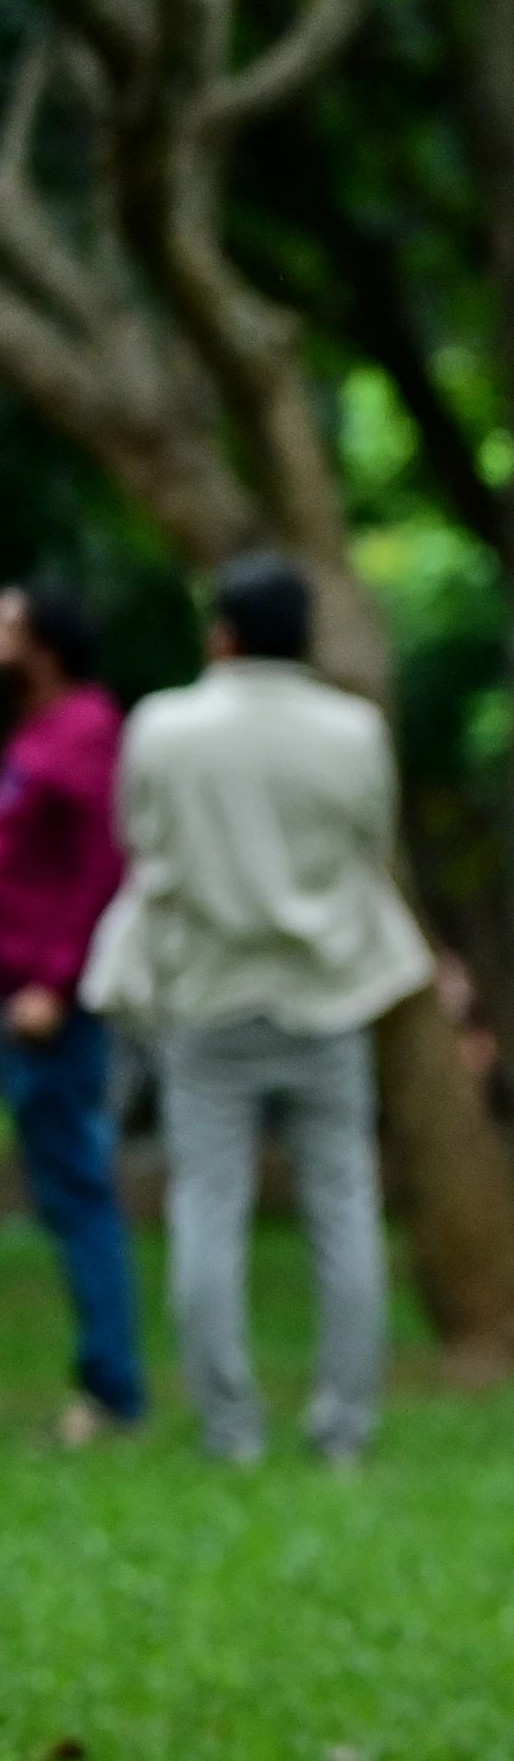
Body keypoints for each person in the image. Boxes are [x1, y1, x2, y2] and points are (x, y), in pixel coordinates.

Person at [76, 558, 432, 1467]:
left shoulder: (163, 725)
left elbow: (141, 842)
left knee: (207, 1209)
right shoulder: (354, 730)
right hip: (328, 992)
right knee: (345, 1210)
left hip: (205, 995)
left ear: (222, 633)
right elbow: (368, 843)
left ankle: (231, 1433)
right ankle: (343, 1432)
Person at [0, 581, 143, 1445]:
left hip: (46, 1003)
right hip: (17, 989)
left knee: (76, 1190)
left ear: (44, 644)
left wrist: (57, 980)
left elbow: (99, 871)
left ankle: (113, 1388)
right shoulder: (34, 730)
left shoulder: (86, 732)